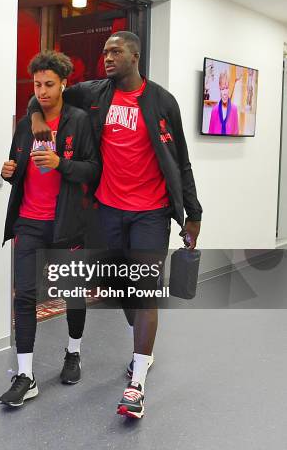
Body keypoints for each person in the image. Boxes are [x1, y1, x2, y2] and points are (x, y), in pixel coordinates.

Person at [28, 31, 203, 419]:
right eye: (105, 52)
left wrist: (193, 214)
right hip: (107, 210)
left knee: (144, 292)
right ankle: (140, 348)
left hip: (151, 213)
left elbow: (181, 162)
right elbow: (42, 95)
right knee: (119, 286)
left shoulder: (160, 101)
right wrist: (38, 116)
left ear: (135, 55)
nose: (107, 58)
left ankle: (137, 381)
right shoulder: (94, 93)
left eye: (115, 51)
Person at [0, 50, 100, 407]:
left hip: (66, 224)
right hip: (28, 222)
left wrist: (61, 163)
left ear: (63, 84)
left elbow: (92, 170)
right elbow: (19, 168)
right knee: (25, 296)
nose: (42, 91)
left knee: (73, 293)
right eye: (37, 84)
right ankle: (25, 376)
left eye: (49, 84)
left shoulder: (78, 121)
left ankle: (73, 352)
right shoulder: (27, 124)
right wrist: (9, 174)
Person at [208, 70, 239, 135]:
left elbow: (236, 132)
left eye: (227, 88)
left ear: (229, 88)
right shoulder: (214, 110)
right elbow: (210, 132)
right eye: (222, 89)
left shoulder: (234, 109)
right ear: (219, 88)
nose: (224, 93)